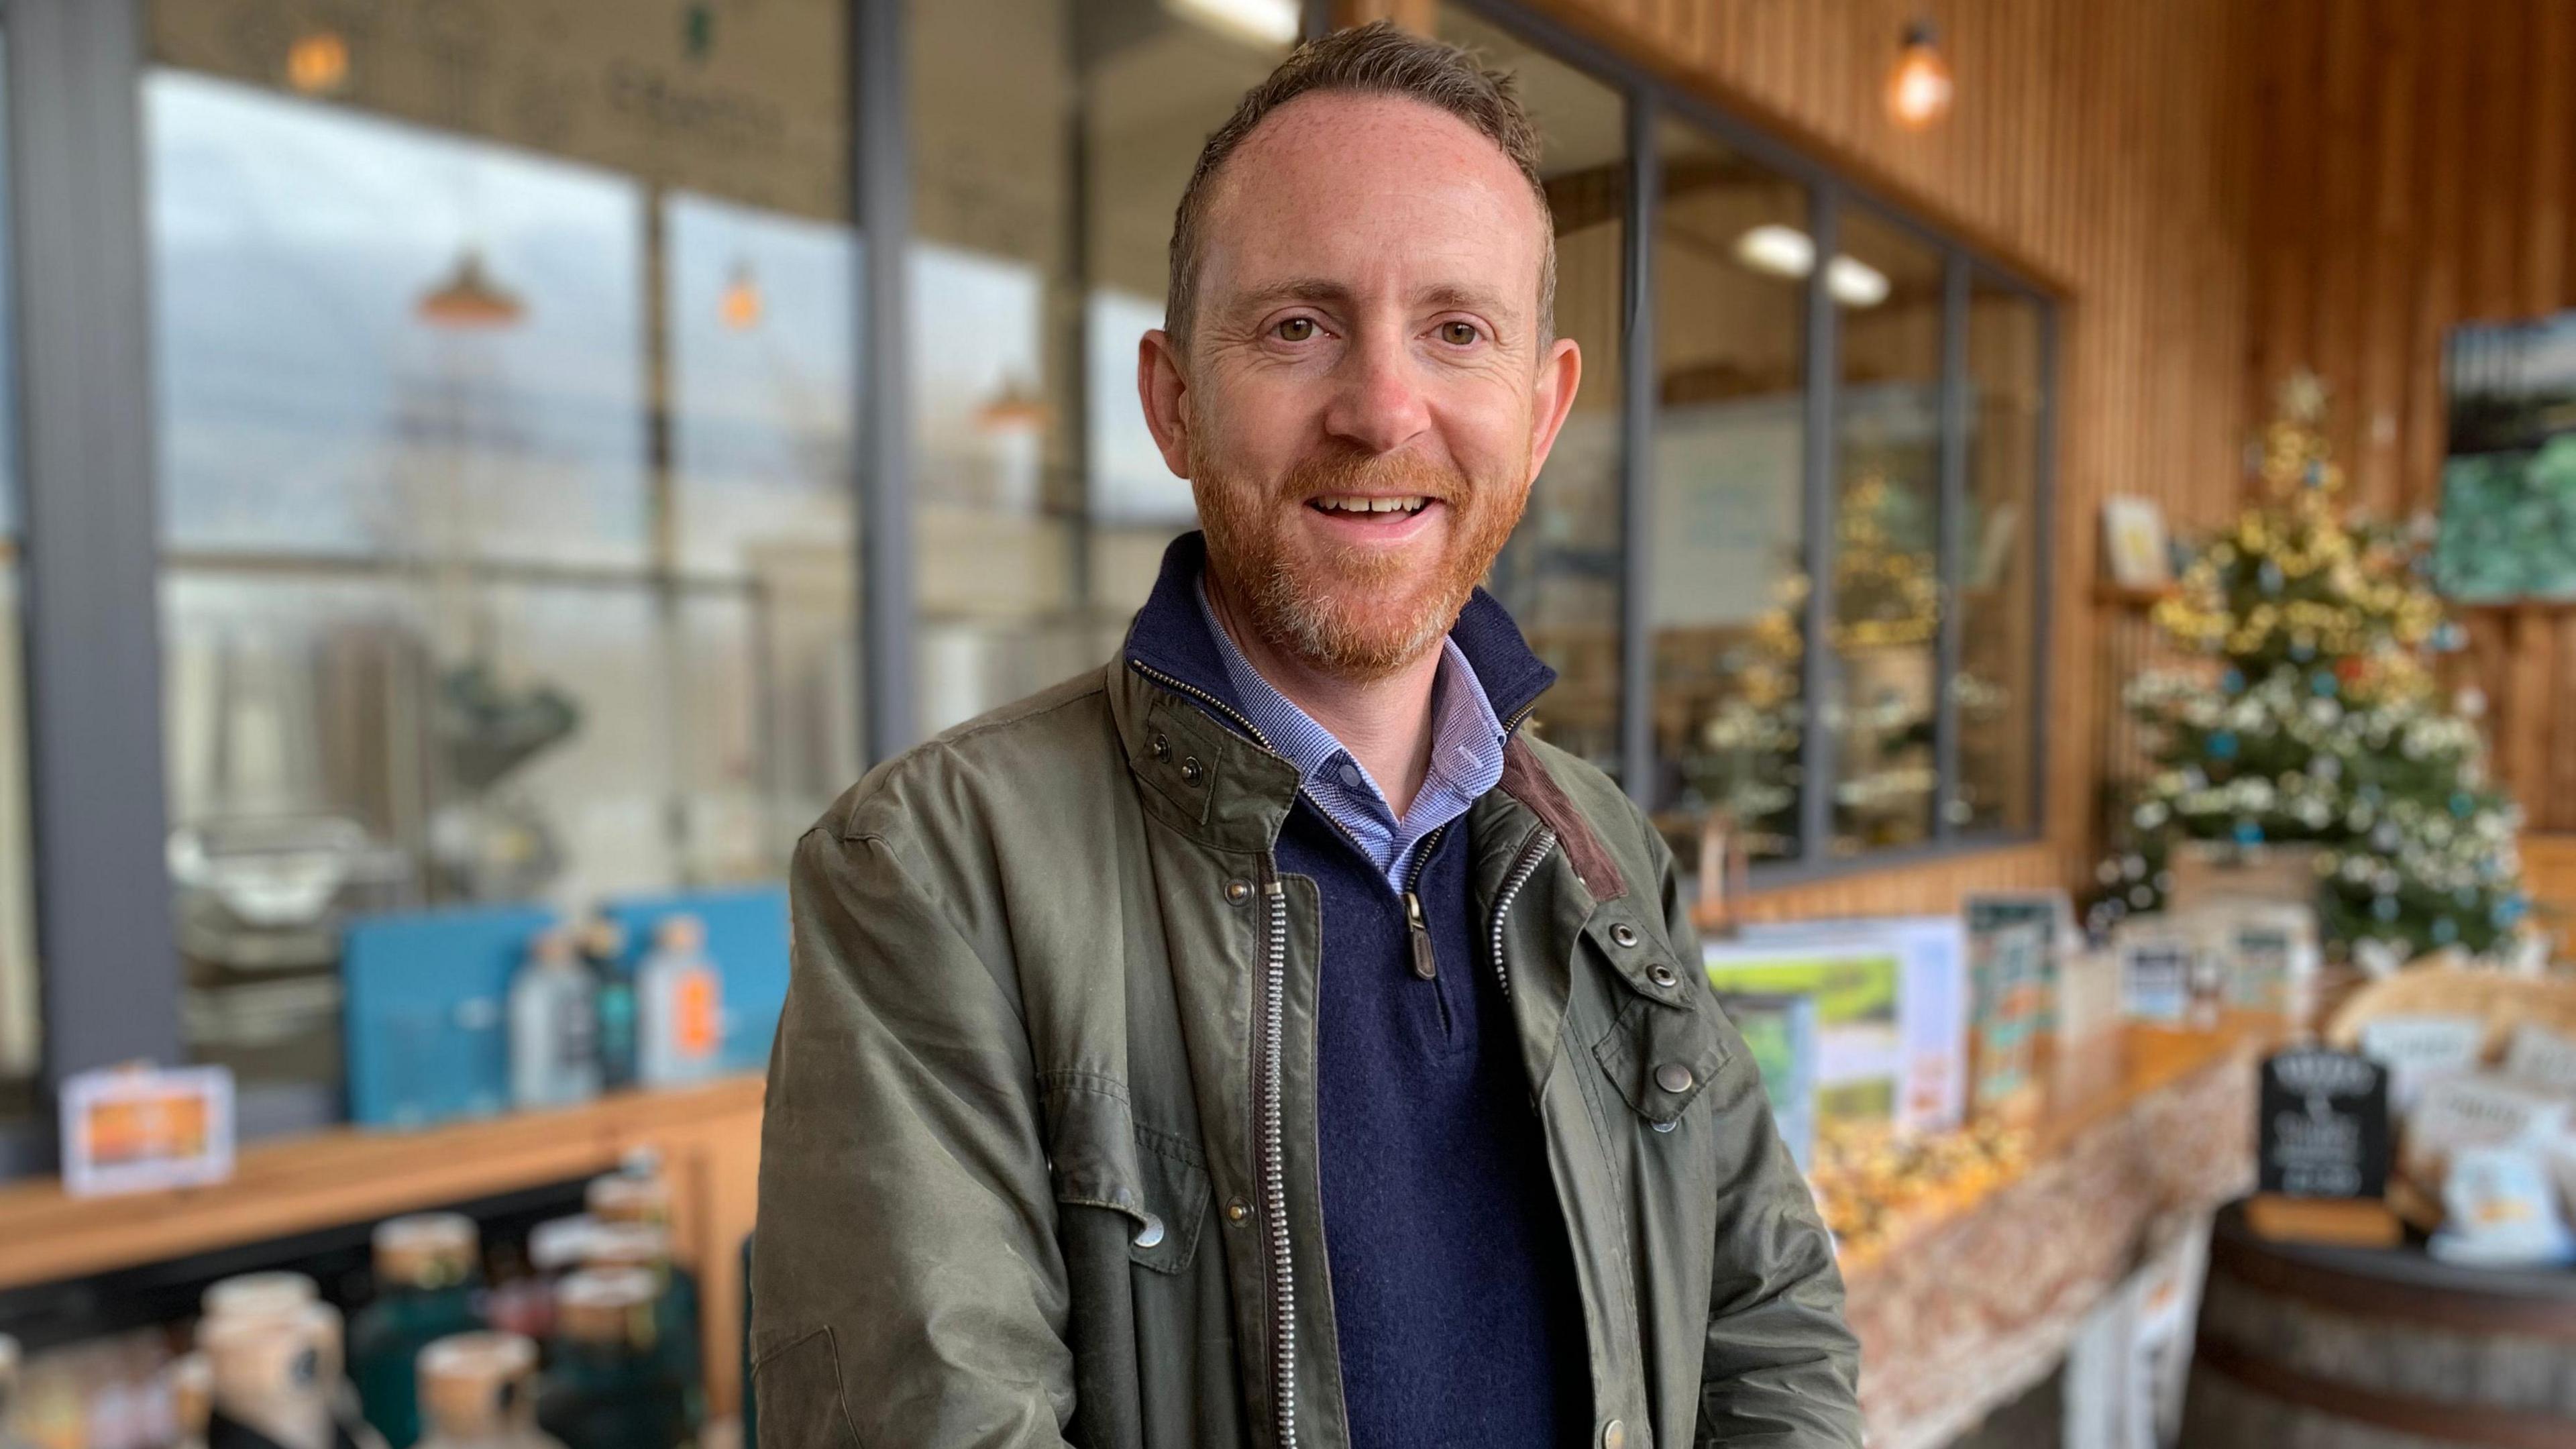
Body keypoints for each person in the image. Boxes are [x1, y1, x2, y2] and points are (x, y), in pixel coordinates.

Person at [751, 21, 1862, 1449]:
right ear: (1173, 400)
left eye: (1457, 330)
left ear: (1540, 412)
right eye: (1297, 326)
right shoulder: (932, 875)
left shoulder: (1601, 852)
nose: (1383, 408)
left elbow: (1771, 1324)